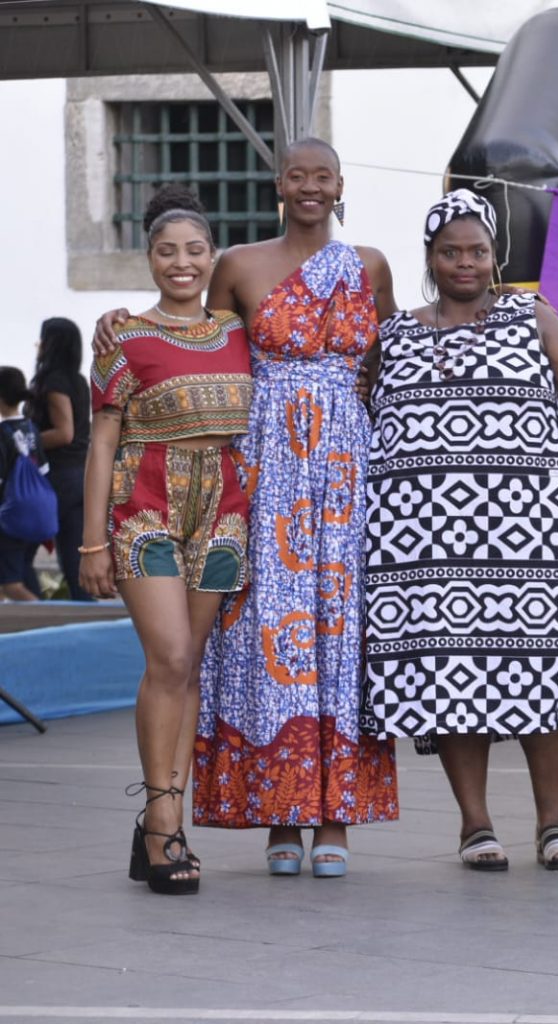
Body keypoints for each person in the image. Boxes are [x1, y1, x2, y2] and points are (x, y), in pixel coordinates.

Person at [98, 138, 400, 876]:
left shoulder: (369, 264)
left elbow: (395, 352)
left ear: (339, 184)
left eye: (322, 175)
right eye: (296, 174)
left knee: (339, 636)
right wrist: (119, 322)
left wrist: (507, 307)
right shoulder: (236, 264)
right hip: (260, 472)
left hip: (343, 471)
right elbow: (197, 332)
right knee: (265, 639)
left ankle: (335, 818)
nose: (309, 186)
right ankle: (278, 818)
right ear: (277, 184)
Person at [362, 190, 558, 871]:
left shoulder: (531, 319)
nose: (464, 263)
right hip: (423, 548)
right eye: (450, 251)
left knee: (546, 674)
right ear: (430, 258)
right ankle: (475, 825)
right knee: (449, 676)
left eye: (477, 250)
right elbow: (365, 410)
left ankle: (553, 823)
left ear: (495, 255)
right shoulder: (397, 335)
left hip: (529, 541)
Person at [79, 186, 254, 894]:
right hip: (144, 500)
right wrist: (91, 543)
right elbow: (100, 444)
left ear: (212, 257)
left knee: (190, 669)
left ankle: (166, 821)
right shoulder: (121, 336)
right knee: (171, 654)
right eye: (165, 251)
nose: (181, 263)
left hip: (224, 506)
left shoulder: (242, 330)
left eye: (193, 251)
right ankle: (160, 824)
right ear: (148, 258)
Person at [29, 317, 92, 600]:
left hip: (60, 476)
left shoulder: (53, 381)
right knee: (73, 557)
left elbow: (64, 433)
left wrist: (19, 438)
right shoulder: (77, 380)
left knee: (16, 556)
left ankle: (32, 611)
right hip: (80, 473)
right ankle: (87, 619)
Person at [0, 367, 47, 601]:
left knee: (11, 585)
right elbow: (43, 469)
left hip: (12, 516)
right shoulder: (31, 428)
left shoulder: (2, 433)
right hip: (38, 511)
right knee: (22, 570)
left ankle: (47, 618)